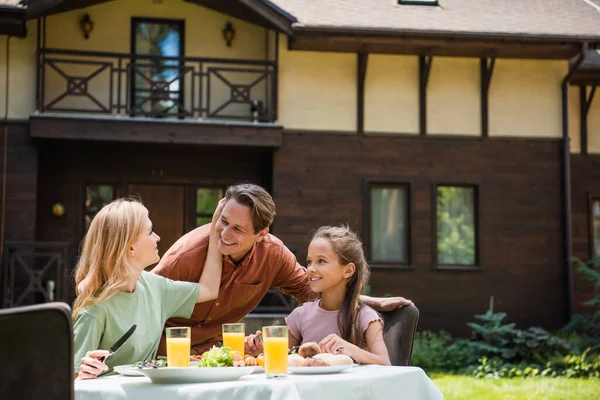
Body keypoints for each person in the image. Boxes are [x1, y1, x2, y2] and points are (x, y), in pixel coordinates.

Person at [153, 183, 413, 356]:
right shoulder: (185, 256)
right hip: (164, 353)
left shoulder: (272, 254)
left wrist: (366, 300)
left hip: (215, 354)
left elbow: (310, 289)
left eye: (238, 229)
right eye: (223, 221)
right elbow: (144, 300)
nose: (225, 234)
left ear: (261, 233)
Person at [72, 197, 224, 380]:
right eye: (150, 232)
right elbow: (71, 383)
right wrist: (83, 373)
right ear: (131, 248)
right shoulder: (95, 309)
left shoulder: (156, 287)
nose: (157, 237)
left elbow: (209, 289)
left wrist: (216, 231)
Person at [246, 225, 391, 365]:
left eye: (321, 261)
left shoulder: (365, 317)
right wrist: (259, 349)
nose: (311, 269)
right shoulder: (301, 315)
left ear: (348, 270)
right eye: (309, 262)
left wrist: (351, 349)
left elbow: (385, 364)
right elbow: (279, 357)